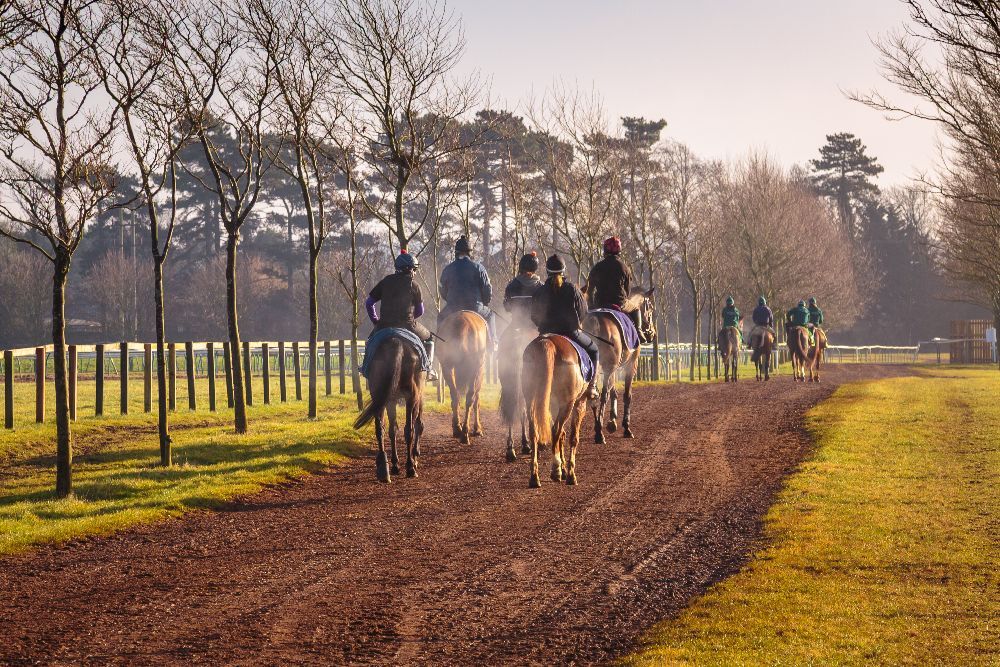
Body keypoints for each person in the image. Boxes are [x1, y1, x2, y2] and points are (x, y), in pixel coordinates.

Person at [531, 254, 599, 399]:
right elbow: (583, 312)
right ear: (563, 270)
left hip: (545, 334)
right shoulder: (573, 289)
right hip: (570, 333)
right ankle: (592, 387)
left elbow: (534, 316)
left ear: (547, 271)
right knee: (593, 349)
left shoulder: (539, 291)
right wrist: (576, 323)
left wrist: (542, 326)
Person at [365, 249, 437, 379]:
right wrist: (409, 318)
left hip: (384, 326)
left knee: (370, 341)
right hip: (408, 325)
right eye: (414, 269)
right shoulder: (414, 285)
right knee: (430, 339)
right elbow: (420, 311)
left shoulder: (385, 281)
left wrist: (376, 321)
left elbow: (369, 303)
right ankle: (429, 369)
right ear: (410, 269)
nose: (415, 272)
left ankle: (365, 368)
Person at [586, 236, 650, 343]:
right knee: (636, 309)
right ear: (619, 250)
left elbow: (589, 290)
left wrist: (591, 305)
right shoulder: (624, 267)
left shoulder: (597, 267)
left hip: (599, 303)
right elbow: (627, 291)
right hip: (619, 303)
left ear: (605, 251)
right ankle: (639, 332)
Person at [439, 235, 495, 343]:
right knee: (490, 315)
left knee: (441, 317)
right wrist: (485, 303)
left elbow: (442, 290)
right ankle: (493, 343)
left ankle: (438, 344)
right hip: (475, 307)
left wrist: (450, 300)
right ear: (470, 252)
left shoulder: (448, 269)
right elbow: (487, 289)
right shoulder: (479, 268)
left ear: (456, 252)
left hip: (452, 307)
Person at [503, 252, 542, 327]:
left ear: (521, 267)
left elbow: (507, 307)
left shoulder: (511, 285)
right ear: (535, 268)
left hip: (517, 326)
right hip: (536, 327)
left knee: (502, 338)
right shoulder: (541, 287)